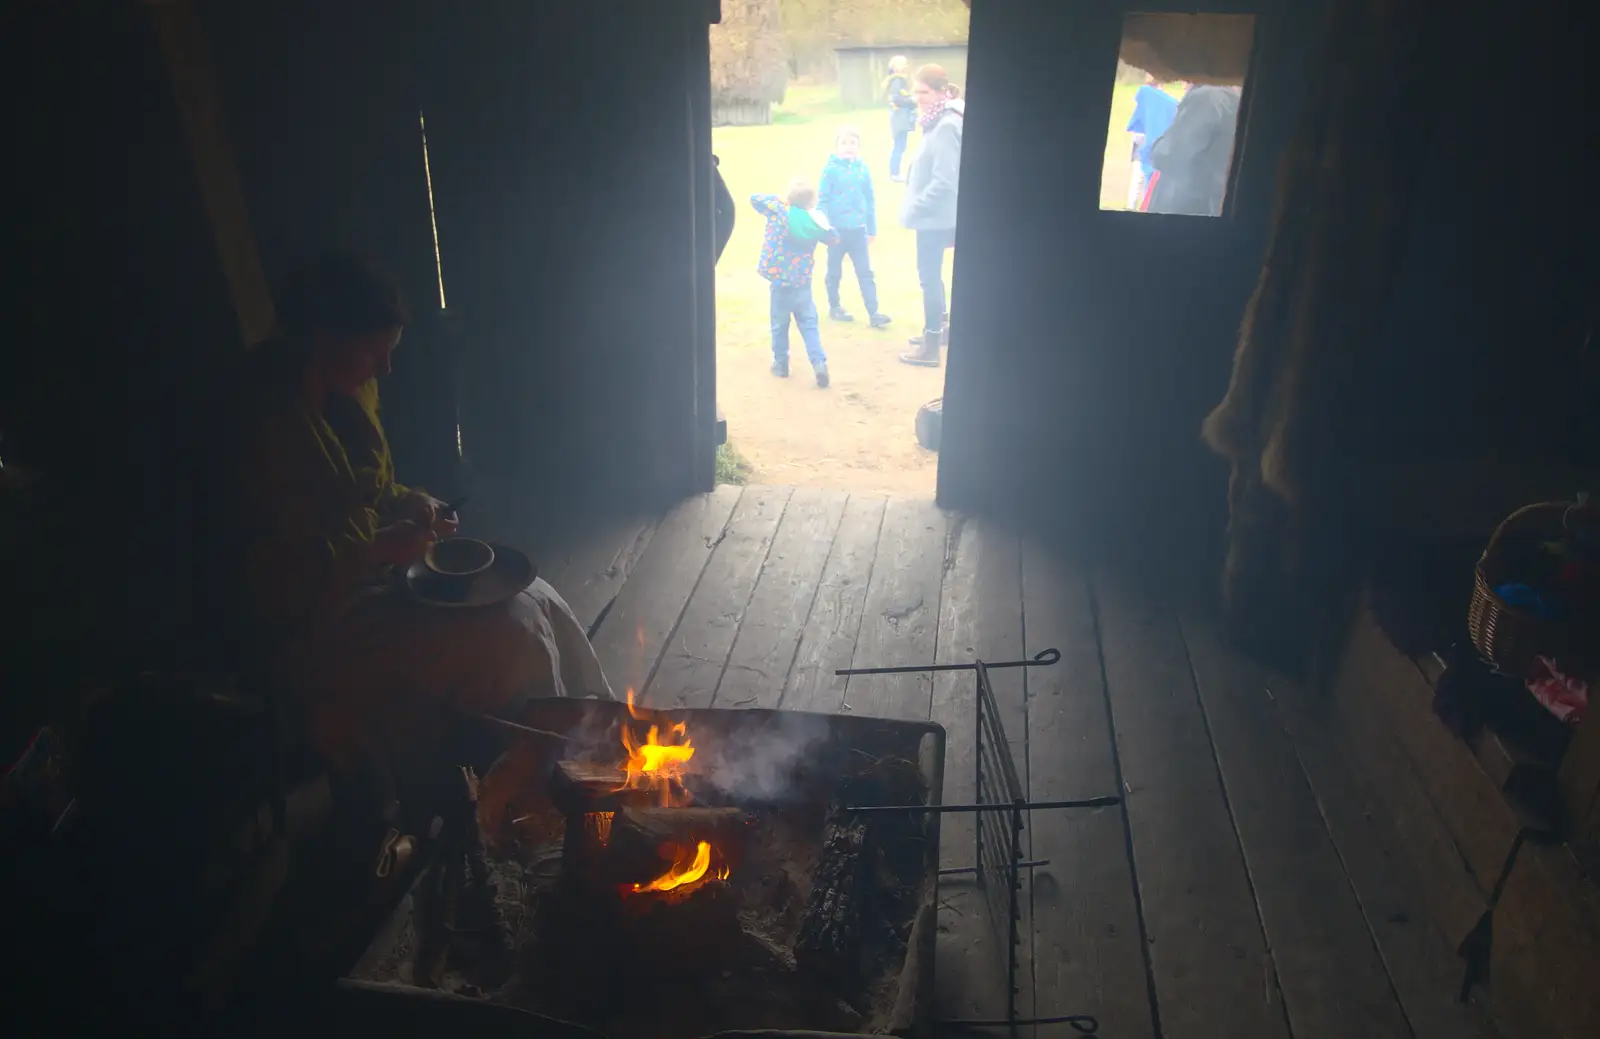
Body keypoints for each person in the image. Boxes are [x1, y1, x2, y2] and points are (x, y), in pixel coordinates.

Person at [230, 250, 614, 772]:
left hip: (372, 576)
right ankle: (531, 770)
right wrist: (379, 548)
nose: (385, 369)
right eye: (372, 354)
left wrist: (409, 501)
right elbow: (273, 579)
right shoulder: (263, 420)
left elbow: (368, 493)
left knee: (536, 594)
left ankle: (596, 738)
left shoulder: (347, 390)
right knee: (510, 633)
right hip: (312, 621)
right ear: (322, 338)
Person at [899, 64, 963, 368]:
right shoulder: (937, 120)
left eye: (923, 91)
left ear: (940, 92)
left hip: (935, 218)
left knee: (929, 279)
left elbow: (944, 181)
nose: (918, 97)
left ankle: (931, 346)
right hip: (938, 216)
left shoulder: (946, 124)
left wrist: (915, 206)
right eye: (916, 91)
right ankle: (942, 331)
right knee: (933, 278)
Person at [751, 180, 838, 387]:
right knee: (809, 325)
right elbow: (834, 238)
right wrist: (816, 216)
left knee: (779, 325)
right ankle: (819, 365)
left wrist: (782, 200)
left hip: (780, 282)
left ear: (789, 198)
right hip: (802, 283)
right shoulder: (813, 222)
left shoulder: (778, 212)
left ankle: (781, 365)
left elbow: (754, 199)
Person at [819, 125, 890, 328]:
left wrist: (872, 228)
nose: (848, 147)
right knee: (834, 272)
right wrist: (825, 228)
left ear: (859, 147)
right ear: (836, 147)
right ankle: (835, 307)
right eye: (844, 143)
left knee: (865, 272)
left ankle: (874, 312)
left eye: (853, 143)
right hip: (837, 231)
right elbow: (823, 200)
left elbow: (870, 199)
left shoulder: (862, 168)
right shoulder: (830, 169)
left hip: (858, 230)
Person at [1146, 83, 1242, 217]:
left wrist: (1157, 146)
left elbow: (1169, 154)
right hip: (1211, 206)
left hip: (1184, 209)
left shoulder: (1208, 97)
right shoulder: (1235, 96)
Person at [1124, 74, 1179, 211]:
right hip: (1147, 143)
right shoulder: (1151, 95)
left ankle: (1134, 206)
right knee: (1141, 177)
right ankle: (1133, 205)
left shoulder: (1150, 96)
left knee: (1140, 177)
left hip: (1145, 143)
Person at [883, 55, 917, 183]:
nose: (906, 66)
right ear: (895, 67)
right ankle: (894, 174)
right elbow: (896, 98)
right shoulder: (897, 81)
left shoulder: (900, 80)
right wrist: (912, 101)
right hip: (899, 118)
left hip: (900, 117)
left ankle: (895, 173)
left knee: (901, 146)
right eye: (903, 64)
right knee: (899, 146)